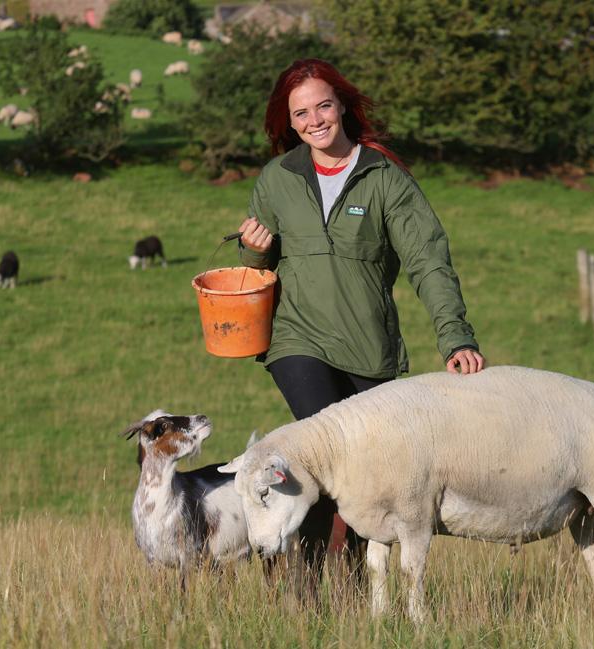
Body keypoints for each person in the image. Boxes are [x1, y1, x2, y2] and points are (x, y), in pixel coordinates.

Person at [235, 58, 485, 586]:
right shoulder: (278, 179)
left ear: (342, 105)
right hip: (296, 341)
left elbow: (428, 260)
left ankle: (351, 590)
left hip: (370, 350)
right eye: (300, 112)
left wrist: (455, 336)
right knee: (322, 453)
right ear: (290, 121)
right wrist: (254, 255)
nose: (314, 120)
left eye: (323, 105)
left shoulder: (384, 178)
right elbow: (257, 273)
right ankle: (302, 590)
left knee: (364, 478)